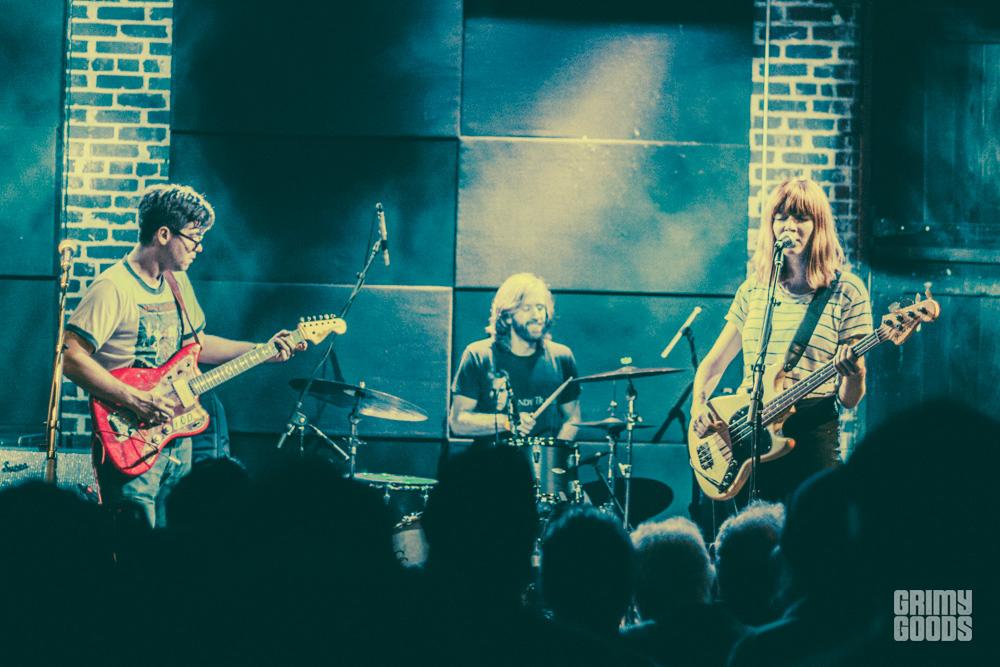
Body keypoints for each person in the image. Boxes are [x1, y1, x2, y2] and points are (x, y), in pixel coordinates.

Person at [63, 184, 305, 528]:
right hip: (130, 438)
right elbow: (69, 356)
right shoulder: (113, 288)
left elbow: (198, 345)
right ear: (164, 234)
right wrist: (136, 398)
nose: (199, 247)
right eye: (194, 237)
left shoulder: (177, 282)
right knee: (136, 548)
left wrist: (263, 351)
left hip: (176, 437)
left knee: (172, 544)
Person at [690, 177, 873, 503]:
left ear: (819, 225)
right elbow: (713, 364)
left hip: (810, 434)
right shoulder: (754, 289)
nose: (789, 226)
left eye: (801, 217)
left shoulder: (847, 291)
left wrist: (855, 372)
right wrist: (699, 407)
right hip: (746, 433)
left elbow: (850, 399)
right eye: (781, 217)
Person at [450, 272, 581, 445]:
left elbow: (573, 418)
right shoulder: (478, 355)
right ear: (507, 316)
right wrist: (508, 422)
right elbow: (458, 422)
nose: (537, 316)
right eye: (527, 308)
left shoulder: (562, 357)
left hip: (543, 461)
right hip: (492, 459)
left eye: (540, 307)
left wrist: (555, 452)